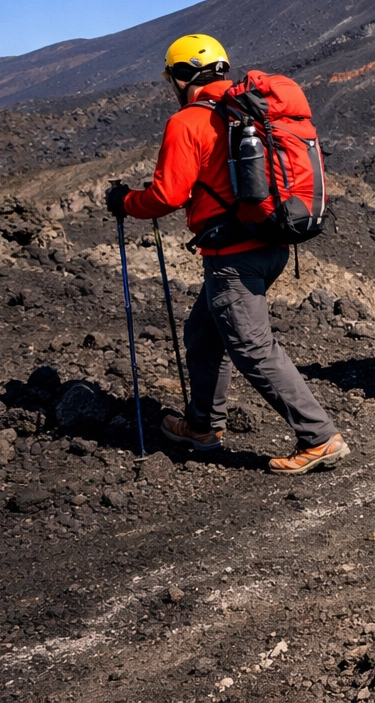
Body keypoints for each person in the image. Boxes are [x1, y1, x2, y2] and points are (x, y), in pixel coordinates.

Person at [107, 34, 348, 474]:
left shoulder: (189, 122)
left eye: (171, 77)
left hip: (234, 255)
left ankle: (319, 436)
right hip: (272, 242)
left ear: (182, 77)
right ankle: (202, 425)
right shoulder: (248, 112)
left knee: (252, 346)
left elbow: (166, 196)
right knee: (203, 332)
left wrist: (125, 201)